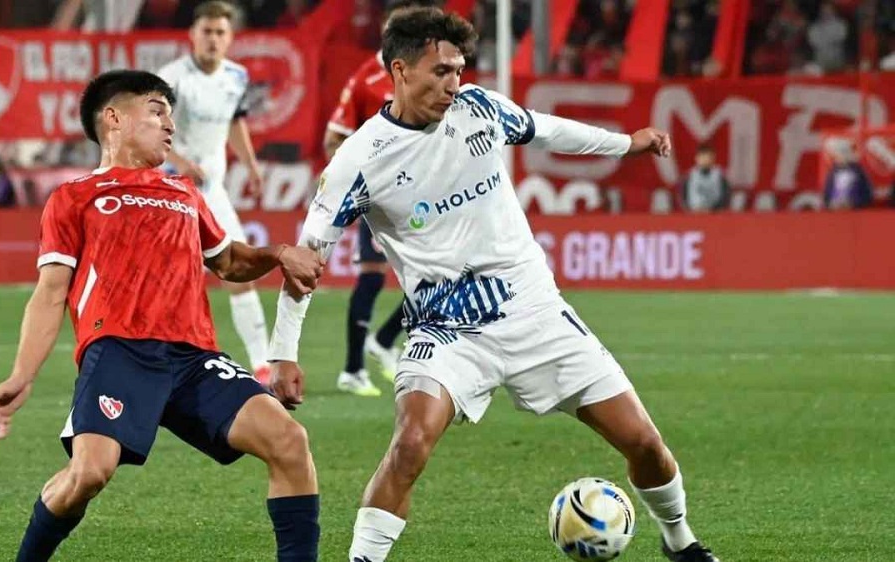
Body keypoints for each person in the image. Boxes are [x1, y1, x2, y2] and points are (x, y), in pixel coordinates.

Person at [267, 8, 718, 562]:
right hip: (446, 330)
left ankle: (681, 541)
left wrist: (627, 143)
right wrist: (283, 354)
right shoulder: (358, 161)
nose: (454, 84)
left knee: (643, 442)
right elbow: (305, 261)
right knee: (410, 444)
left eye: (459, 70)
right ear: (400, 70)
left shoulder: (478, 108)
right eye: (441, 71)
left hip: (533, 310)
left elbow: (547, 129)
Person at [0, 69, 323, 562]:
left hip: (192, 358)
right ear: (114, 118)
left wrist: (278, 254)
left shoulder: (184, 192)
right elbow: (51, 292)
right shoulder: (75, 196)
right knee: (89, 474)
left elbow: (229, 261)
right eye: (157, 110)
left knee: (289, 441)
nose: (170, 125)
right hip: (119, 353)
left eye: (171, 115)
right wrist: (22, 375)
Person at [323, 0, 440, 397]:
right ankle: (354, 368)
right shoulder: (366, 79)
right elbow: (334, 138)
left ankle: (385, 340)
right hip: (381, 197)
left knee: (440, 275)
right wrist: (362, 179)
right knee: (373, 276)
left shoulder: (429, 74)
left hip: (423, 195)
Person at [158, 1, 273, 383]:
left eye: (220, 32)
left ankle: (262, 364)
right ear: (192, 35)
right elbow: (150, 129)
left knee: (238, 271)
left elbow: (235, 122)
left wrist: (251, 165)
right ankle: (159, 360)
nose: (212, 39)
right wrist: (179, 161)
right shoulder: (172, 79)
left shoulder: (237, 77)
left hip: (213, 193)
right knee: (170, 280)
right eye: (206, 31)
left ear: (230, 38)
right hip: (170, 192)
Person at [823, 137, 873, 210]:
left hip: (854, 210)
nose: (836, 158)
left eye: (838, 155)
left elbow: (867, 194)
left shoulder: (858, 172)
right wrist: (829, 203)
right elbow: (827, 193)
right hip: (834, 209)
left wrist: (855, 203)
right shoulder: (833, 172)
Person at [679, 144, 729, 212]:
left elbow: (725, 196)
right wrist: (689, 209)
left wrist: (714, 209)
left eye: (708, 157)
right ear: (696, 158)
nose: (705, 159)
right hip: (694, 213)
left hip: (714, 213)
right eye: (702, 156)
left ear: (713, 158)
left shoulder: (720, 176)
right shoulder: (689, 176)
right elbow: (683, 196)